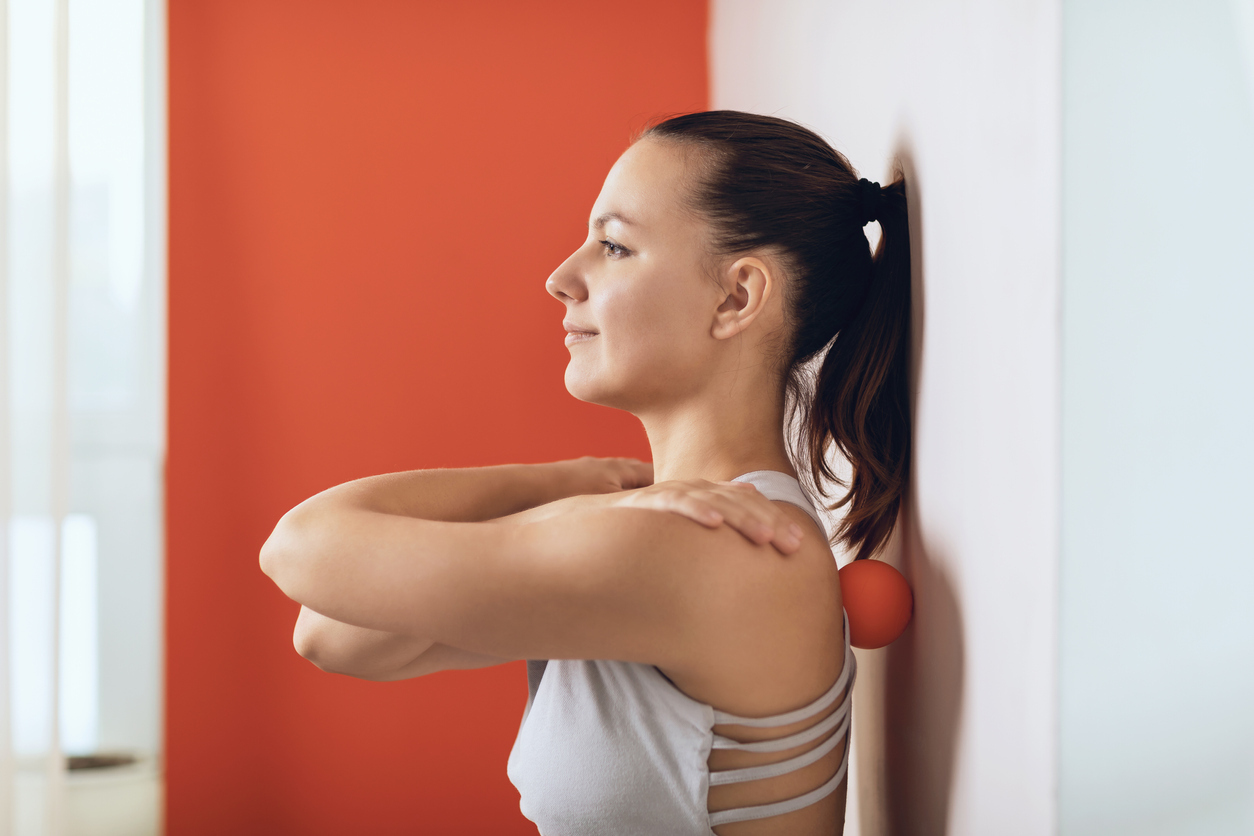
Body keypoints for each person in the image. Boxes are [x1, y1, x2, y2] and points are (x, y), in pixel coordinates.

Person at [260, 110, 911, 835]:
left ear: (736, 297)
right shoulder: (659, 531)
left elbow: (297, 546)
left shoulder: (712, 550)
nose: (561, 278)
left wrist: (577, 500)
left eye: (615, 245)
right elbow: (332, 632)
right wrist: (575, 484)